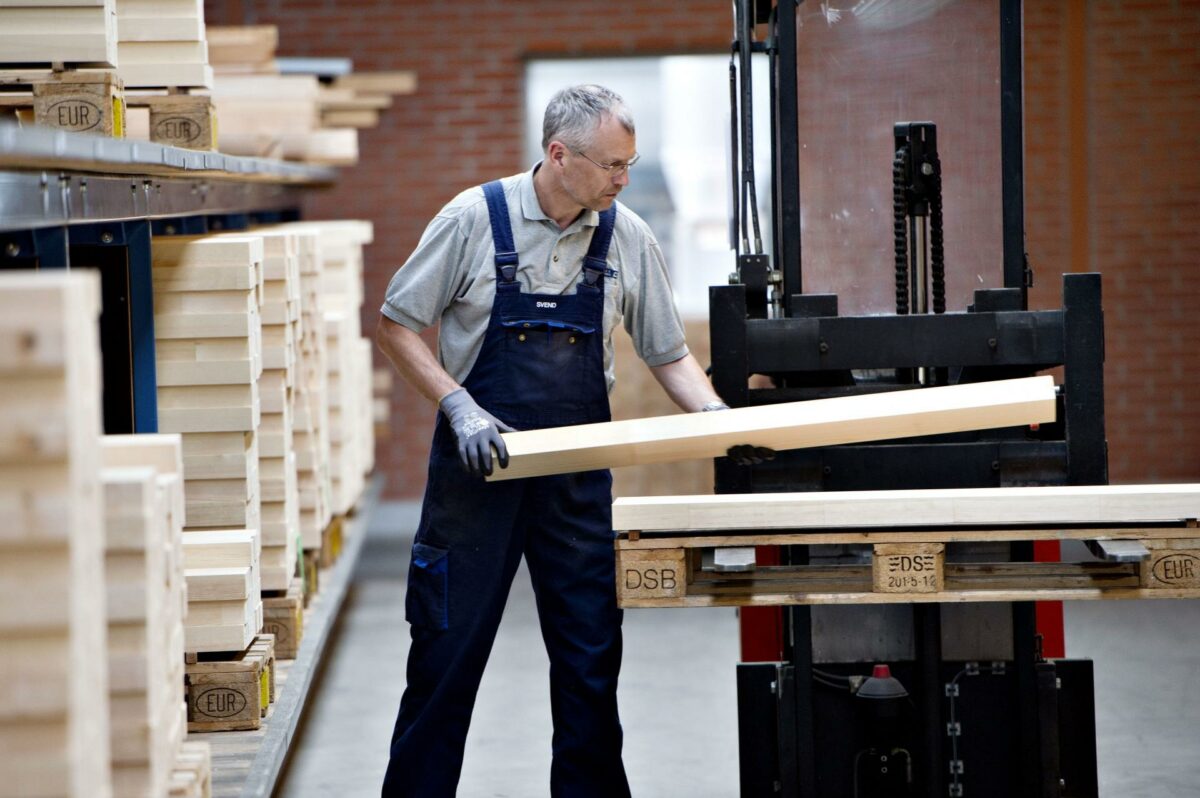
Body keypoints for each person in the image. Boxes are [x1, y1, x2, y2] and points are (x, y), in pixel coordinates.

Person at [375, 84, 769, 797]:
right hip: (478, 478)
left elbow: (668, 354)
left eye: (630, 163)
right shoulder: (471, 220)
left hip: (576, 484)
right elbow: (398, 323)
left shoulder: (626, 234)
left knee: (589, 667)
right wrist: (459, 406)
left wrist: (717, 418)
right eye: (613, 165)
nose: (624, 179)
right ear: (560, 156)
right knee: (443, 662)